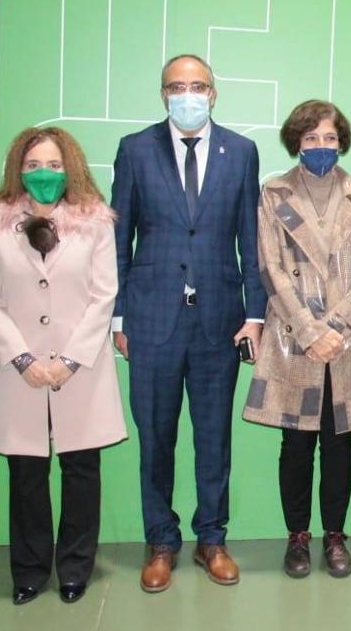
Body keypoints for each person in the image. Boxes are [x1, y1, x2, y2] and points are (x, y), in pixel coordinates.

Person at [110, 54, 267, 592]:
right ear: (163, 95)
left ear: (214, 93)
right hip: (151, 321)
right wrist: (119, 315)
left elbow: (250, 237)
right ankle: (160, 542)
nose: (188, 94)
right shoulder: (135, 150)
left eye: (197, 85)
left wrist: (255, 313)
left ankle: (211, 539)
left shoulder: (241, 152)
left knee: (213, 438)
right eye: (177, 86)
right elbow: (119, 239)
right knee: (155, 438)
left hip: (219, 323)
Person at [242, 100, 351, 579]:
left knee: (339, 442)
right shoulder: (274, 193)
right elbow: (269, 266)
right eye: (311, 139)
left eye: (330, 139)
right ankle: (297, 538)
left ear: (341, 142)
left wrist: (338, 327)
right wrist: (311, 331)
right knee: (295, 443)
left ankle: (334, 535)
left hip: (349, 339)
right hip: (296, 338)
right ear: (297, 142)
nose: (321, 147)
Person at [0, 127, 127, 605]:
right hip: (19, 372)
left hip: (78, 370)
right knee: (26, 474)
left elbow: (104, 295)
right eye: (35, 165)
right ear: (18, 168)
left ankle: (75, 568)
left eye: (54, 165)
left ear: (71, 168)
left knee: (81, 471)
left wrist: (69, 360)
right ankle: (29, 570)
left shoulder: (96, 221)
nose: (44, 174)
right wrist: (22, 358)